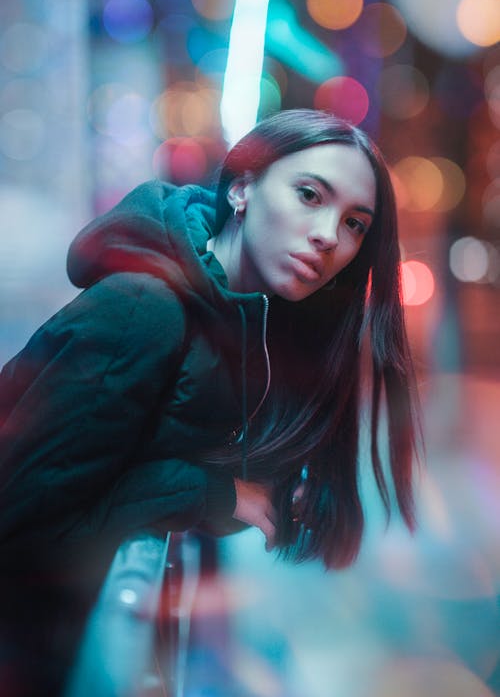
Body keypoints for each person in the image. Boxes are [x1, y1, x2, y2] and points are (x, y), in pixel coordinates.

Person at [0, 108, 419, 695]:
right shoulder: (144, 311)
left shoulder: (252, 325)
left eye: (354, 223)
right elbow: (21, 530)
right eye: (308, 195)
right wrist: (207, 494)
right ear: (243, 187)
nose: (329, 234)